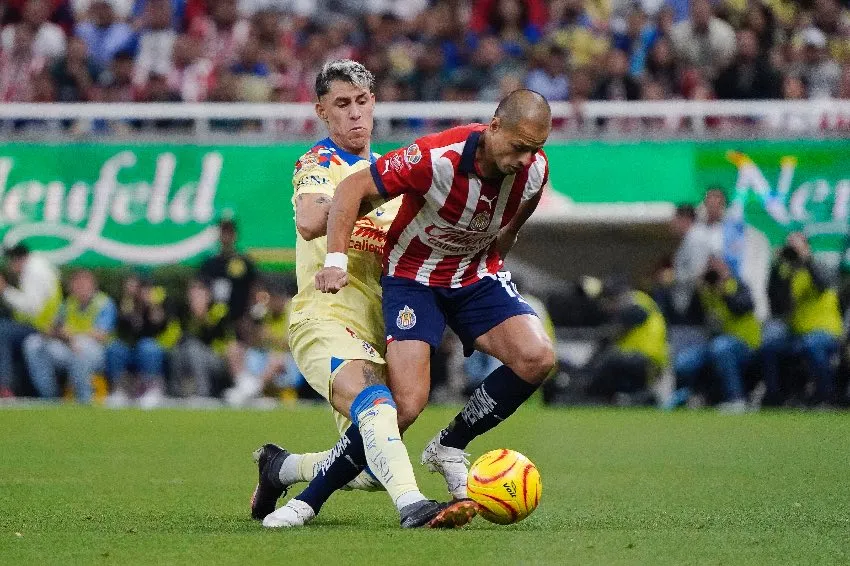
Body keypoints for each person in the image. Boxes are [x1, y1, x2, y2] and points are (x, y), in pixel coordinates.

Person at [311, 88, 555, 521]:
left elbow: (512, 224)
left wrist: (492, 266)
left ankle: (449, 445)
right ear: (494, 127)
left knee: (537, 357)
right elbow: (351, 189)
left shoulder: (535, 171)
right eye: (519, 147)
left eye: (534, 149)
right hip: (413, 279)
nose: (524, 159)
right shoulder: (435, 156)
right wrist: (335, 260)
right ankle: (305, 492)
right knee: (405, 405)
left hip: (475, 277)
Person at [253, 60, 474, 530]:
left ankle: (281, 467)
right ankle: (413, 504)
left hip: (379, 329)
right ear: (321, 112)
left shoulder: (387, 174)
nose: (354, 114)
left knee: (370, 465)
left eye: (361, 102)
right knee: (376, 405)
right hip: (325, 319)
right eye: (341, 105)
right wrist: (359, 195)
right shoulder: (319, 163)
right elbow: (311, 221)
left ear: (373, 104)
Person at [669, 256, 761, 413]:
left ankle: (736, 399)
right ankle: (684, 399)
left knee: (721, 347)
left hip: (745, 344)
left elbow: (744, 307)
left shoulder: (738, 285)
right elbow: (688, 317)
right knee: (685, 361)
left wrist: (723, 291)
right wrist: (695, 290)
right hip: (714, 345)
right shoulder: (705, 290)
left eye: (716, 268)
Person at [761, 233, 842, 406]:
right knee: (770, 347)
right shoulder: (790, 273)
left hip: (825, 331)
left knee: (811, 345)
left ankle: (826, 397)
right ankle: (776, 398)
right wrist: (777, 266)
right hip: (798, 333)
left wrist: (806, 258)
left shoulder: (820, 265)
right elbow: (776, 304)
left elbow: (824, 283)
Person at [23, 269, 116, 403]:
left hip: (95, 350)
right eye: (76, 284)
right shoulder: (67, 304)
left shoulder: (104, 303)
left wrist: (72, 334)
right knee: (33, 344)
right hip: (66, 346)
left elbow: (101, 334)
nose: (80, 287)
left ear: (93, 285)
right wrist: (58, 332)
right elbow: (50, 329)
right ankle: (49, 397)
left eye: (84, 284)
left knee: (80, 346)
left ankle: (84, 399)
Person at [586, 278, 668, 405]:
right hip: (642, 358)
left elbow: (630, 318)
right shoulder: (639, 301)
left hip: (647, 358)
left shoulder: (636, 300)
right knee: (610, 361)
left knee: (609, 359)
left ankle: (590, 396)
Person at [104, 273, 179, 408]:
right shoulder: (128, 304)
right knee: (115, 348)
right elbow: (123, 330)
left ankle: (152, 389)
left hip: (156, 350)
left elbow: (161, 326)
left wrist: (153, 307)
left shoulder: (163, 303)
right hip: (132, 349)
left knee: (147, 347)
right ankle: (120, 390)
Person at [0, 244, 62, 398]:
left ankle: (4, 386)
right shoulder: (37, 266)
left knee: (2, 331)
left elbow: (32, 307)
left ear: (18, 259)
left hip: (41, 326)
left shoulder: (33, 271)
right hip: (41, 324)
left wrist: (5, 290)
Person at [171, 279, 229, 401]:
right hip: (186, 354)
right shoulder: (183, 311)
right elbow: (176, 337)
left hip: (216, 357)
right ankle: (175, 393)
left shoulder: (219, 310)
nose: (195, 296)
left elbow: (219, 340)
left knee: (194, 349)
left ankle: (203, 393)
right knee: (177, 351)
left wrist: (203, 317)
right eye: (192, 293)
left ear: (208, 294)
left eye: (199, 292)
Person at [199, 217, 257, 326]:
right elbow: (202, 288)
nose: (226, 236)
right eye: (223, 231)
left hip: (240, 320)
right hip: (213, 320)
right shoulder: (210, 263)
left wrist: (249, 315)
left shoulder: (245, 262)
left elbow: (253, 288)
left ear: (235, 234)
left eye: (229, 231)